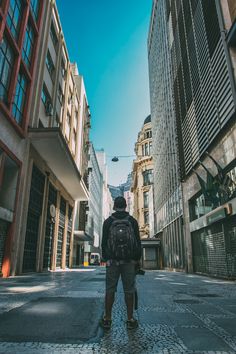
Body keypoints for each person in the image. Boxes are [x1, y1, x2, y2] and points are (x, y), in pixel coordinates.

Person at [100, 196, 141, 330]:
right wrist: (136, 259)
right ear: (125, 206)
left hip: (112, 262)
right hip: (129, 261)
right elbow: (138, 242)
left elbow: (104, 242)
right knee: (129, 290)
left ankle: (107, 319)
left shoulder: (107, 222)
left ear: (114, 206)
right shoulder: (132, 221)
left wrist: (107, 258)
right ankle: (130, 319)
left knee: (110, 289)